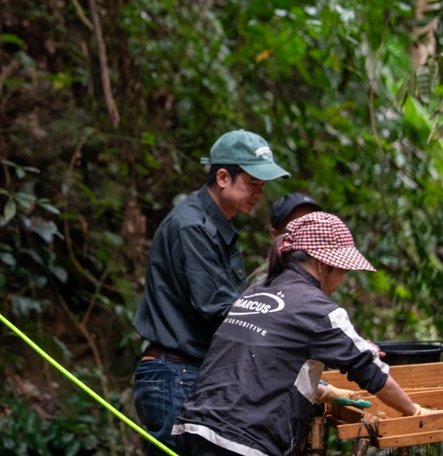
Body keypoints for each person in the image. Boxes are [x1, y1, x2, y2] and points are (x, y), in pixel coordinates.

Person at [172, 211, 437, 456]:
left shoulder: (257, 291)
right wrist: (414, 410)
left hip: (193, 430)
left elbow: (261, 366)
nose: (342, 279)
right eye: (343, 269)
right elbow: (371, 372)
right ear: (323, 263)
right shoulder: (317, 308)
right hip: (241, 442)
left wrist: (322, 389)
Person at [131, 129, 290, 455]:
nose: (259, 193)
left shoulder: (216, 225)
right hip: (175, 373)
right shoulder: (192, 226)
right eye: (252, 183)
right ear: (222, 177)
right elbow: (218, 309)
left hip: (191, 373)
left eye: (263, 186)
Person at [246, 192, 324, 285]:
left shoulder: (320, 272)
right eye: (296, 228)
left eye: (312, 226)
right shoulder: (264, 280)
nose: (306, 234)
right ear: (274, 235)